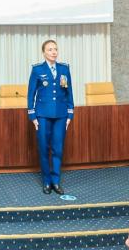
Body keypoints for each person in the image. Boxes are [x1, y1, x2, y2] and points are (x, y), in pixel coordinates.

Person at [27, 39, 73, 195]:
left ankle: (55, 181)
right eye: (50, 49)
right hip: (42, 115)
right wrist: (33, 115)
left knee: (58, 149)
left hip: (60, 115)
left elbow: (69, 93)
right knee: (44, 148)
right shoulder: (37, 70)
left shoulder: (64, 69)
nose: (53, 52)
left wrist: (70, 114)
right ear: (44, 53)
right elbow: (31, 94)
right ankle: (46, 181)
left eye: (55, 49)